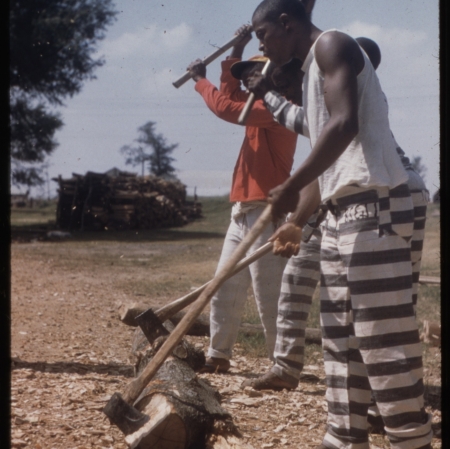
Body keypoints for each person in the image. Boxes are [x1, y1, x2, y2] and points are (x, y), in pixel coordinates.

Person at [247, 1, 432, 448]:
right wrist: (297, 218)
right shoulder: (312, 74)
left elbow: (345, 125)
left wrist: (290, 183)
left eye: (264, 33)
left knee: (382, 343)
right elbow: (331, 168)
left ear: (287, 24)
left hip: (374, 208)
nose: (262, 44)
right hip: (341, 214)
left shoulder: (332, 44)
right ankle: (343, 439)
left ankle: (410, 439)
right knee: (341, 341)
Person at [186, 25, 297, 373]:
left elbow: (225, 108)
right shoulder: (256, 109)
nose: (247, 81)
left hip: (268, 213)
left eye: (252, 75)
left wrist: (200, 81)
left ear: (271, 78)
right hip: (242, 212)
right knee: (225, 285)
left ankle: (282, 364)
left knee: (269, 295)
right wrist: (236, 50)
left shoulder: (278, 111)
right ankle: (219, 356)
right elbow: (231, 97)